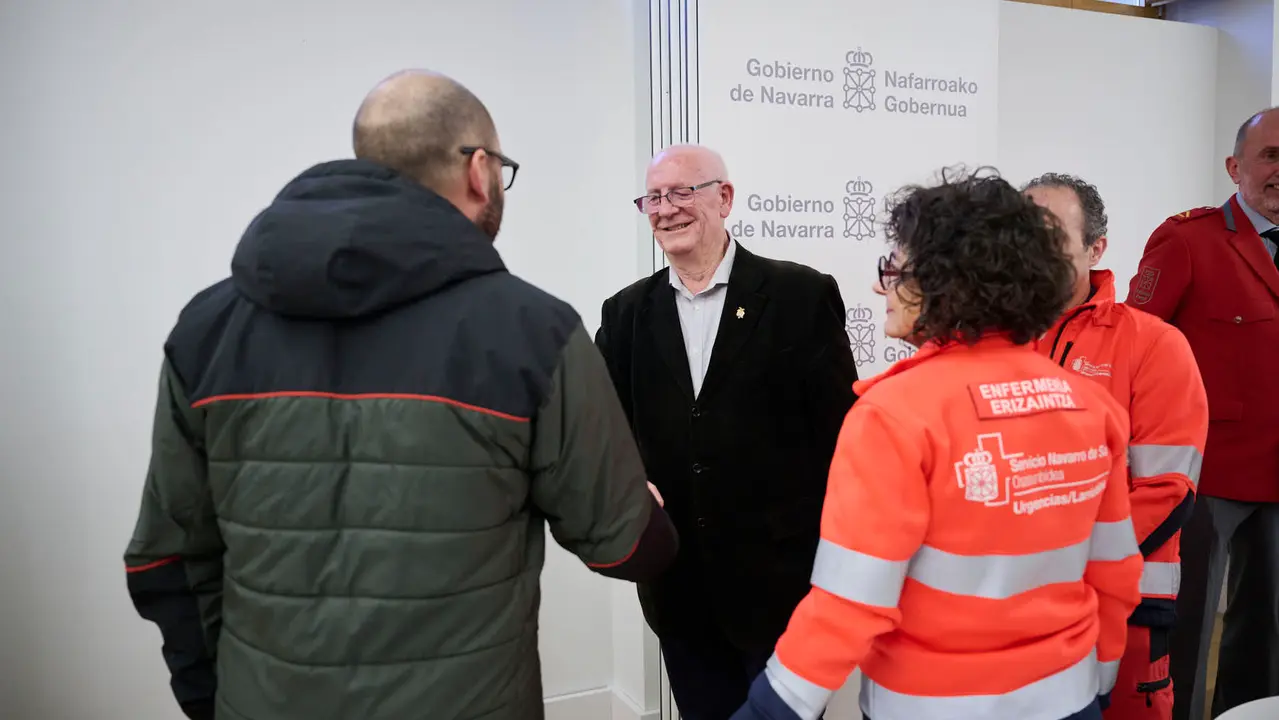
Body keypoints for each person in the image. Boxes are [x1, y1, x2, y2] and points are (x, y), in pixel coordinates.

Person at [122, 69, 678, 720]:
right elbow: (626, 547)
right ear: (478, 171)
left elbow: (165, 558)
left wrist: (218, 696)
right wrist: (647, 514)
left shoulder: (205, 331)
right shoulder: (534, 333)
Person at [731, 168, 1144, 720]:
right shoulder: (1092, 407)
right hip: (1067, 698)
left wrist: (767, 710)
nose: (882, 285)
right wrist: (1100, 679)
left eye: (895, 269)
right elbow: (1115, 572)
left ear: (943, 282)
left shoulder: (894, 415)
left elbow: (848, 606)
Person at [593, 143, 859, 719]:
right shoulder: (625, 314)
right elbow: (598, 429)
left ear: (725, 197)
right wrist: (625, 487)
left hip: (781, 589)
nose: (666, 209)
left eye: (682, 192)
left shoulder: (800, 296)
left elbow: (843, 438)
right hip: (679, 592)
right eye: (654, 198)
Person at [1024, 173, 1208, 720]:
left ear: (1096, 247)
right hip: (1009, 611)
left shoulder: (1153, 344)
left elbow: (1167, 490)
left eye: (1051, 233)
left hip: (1125, 606)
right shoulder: (986, 341)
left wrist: (1058, 563)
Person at [1126, 108, 1279, 720]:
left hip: (1276, 469)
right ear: (1234, 166)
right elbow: (1133, 344)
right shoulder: (1188, 239)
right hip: (1204, 471)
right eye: (1270, 156)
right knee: (1184, 621)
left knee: (1266, 626)